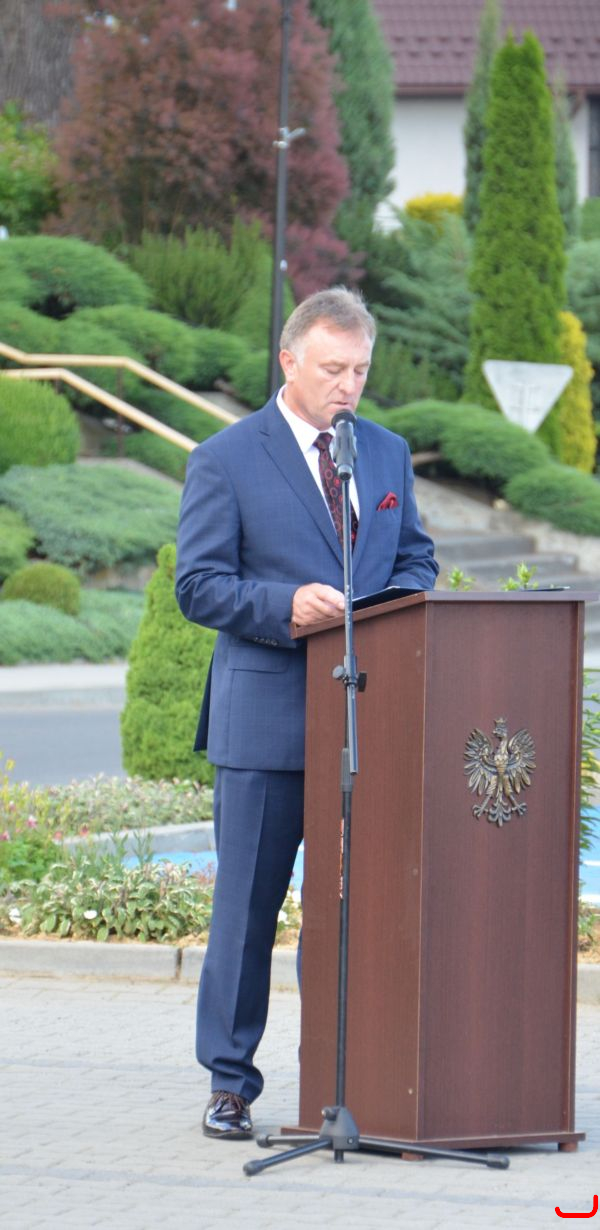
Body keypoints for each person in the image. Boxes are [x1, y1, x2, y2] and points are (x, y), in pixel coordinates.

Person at [175, 287, 438, 1140]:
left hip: (370, 724)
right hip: (266, 726)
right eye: (332, 369)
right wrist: (286, 608)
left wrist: (388, 605)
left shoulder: (385, 453)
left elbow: (417, 559)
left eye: (359, 370)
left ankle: (355, 1080)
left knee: (360, 916)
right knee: (246, 917)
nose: (348, 386)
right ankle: (230, 1083)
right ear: (288, 360)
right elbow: (198, 585)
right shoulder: (225, 457)